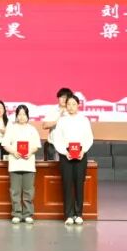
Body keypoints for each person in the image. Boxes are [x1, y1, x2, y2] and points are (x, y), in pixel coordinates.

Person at [52, 93, 94, 225]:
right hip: (66, 154)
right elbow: (57, 138)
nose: (71, 106)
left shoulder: (84, 120)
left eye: (73, 104)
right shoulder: (62, 121)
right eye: (68, 104)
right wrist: (64, 152)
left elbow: (89, 137)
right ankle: (69, 215)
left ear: (78, 105)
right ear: (65, 106)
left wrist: (83, 150)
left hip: (81, 153)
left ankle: (79, 214)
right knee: (67, 184)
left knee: (79, 184)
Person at [2, 103, 41, 223]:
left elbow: (37, 145)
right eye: (19, 114)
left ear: (27, 116)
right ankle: (17, 214)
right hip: (15, 163)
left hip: (28, 163)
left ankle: (28, 214)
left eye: (24, 114)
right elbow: (5, 144)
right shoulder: (11, 128)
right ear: (16, 116)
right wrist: (14, 152)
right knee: (15, 191)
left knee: (28, 191)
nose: (22, 117)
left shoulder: (32, 129)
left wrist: (30, 152)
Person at [41, 87, 71, 161]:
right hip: (53, 146)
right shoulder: (53, 110)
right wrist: (58, 121)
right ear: (58, 98)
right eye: (62, 97)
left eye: (66, 97)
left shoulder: (72, 111)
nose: (64, 99)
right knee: (52, 167)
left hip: (67, 146)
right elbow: (44, 125)